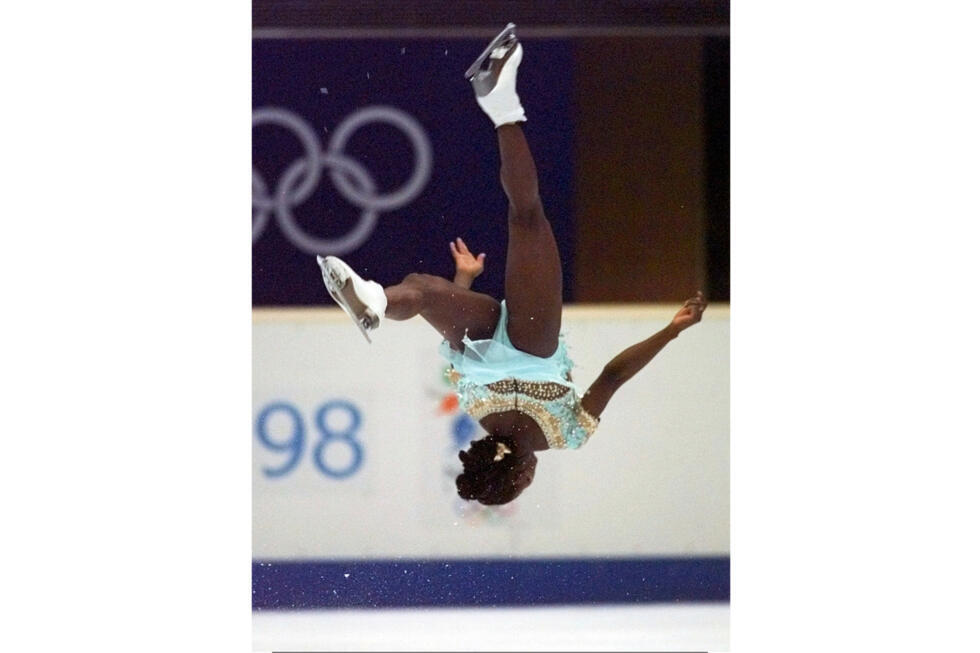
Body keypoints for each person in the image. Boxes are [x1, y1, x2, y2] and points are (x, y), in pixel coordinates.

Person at [318, 24, 707, 505]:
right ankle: (376, 300)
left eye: (523, 486)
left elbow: (613, 375)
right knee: (422, 289)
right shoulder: (476, 408)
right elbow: (457, 342)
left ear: (520, 477)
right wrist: (461, 284)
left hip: (532, 342)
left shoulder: (567, 436)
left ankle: (503, 105)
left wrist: (672, 330)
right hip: (481, 354)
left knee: (527, 218)